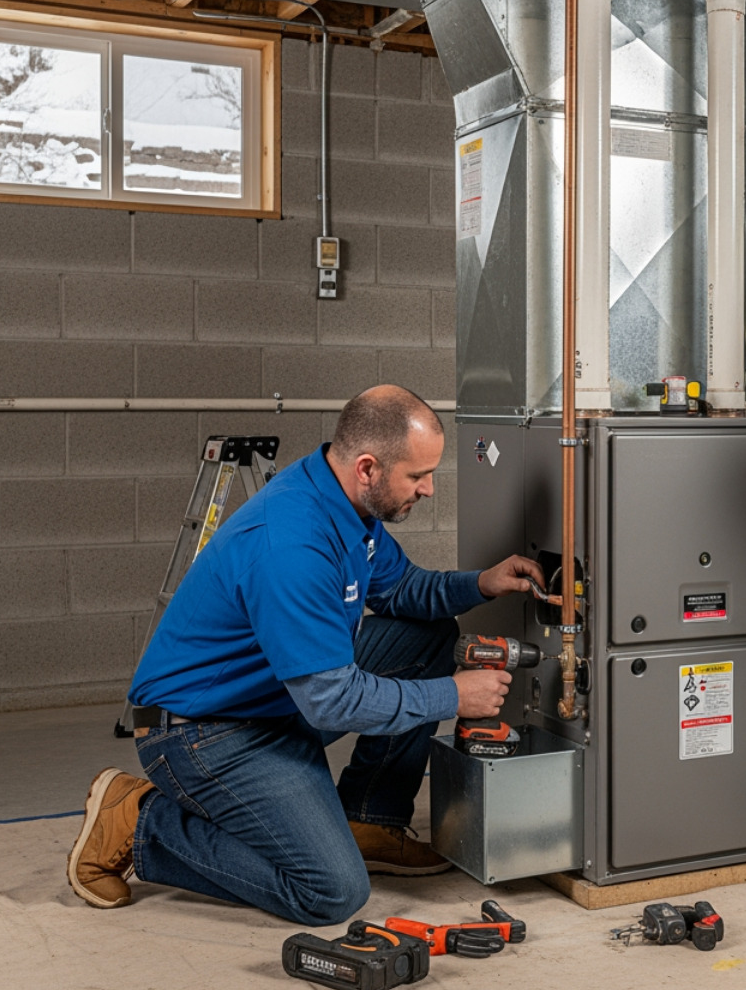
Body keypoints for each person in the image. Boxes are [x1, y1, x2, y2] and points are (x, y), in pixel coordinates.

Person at [66, 384, 544, 925]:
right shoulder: (292, 544)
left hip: (274, 700)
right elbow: (332, 701)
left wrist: (481, 583)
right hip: (204, 733)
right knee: (330, 891)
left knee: (426, 638)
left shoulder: (347, 505)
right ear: (368, 468)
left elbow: (403, 589)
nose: (429, 489)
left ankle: (369, 820)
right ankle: (141, 820)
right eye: (418, 475)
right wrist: (452, 696)